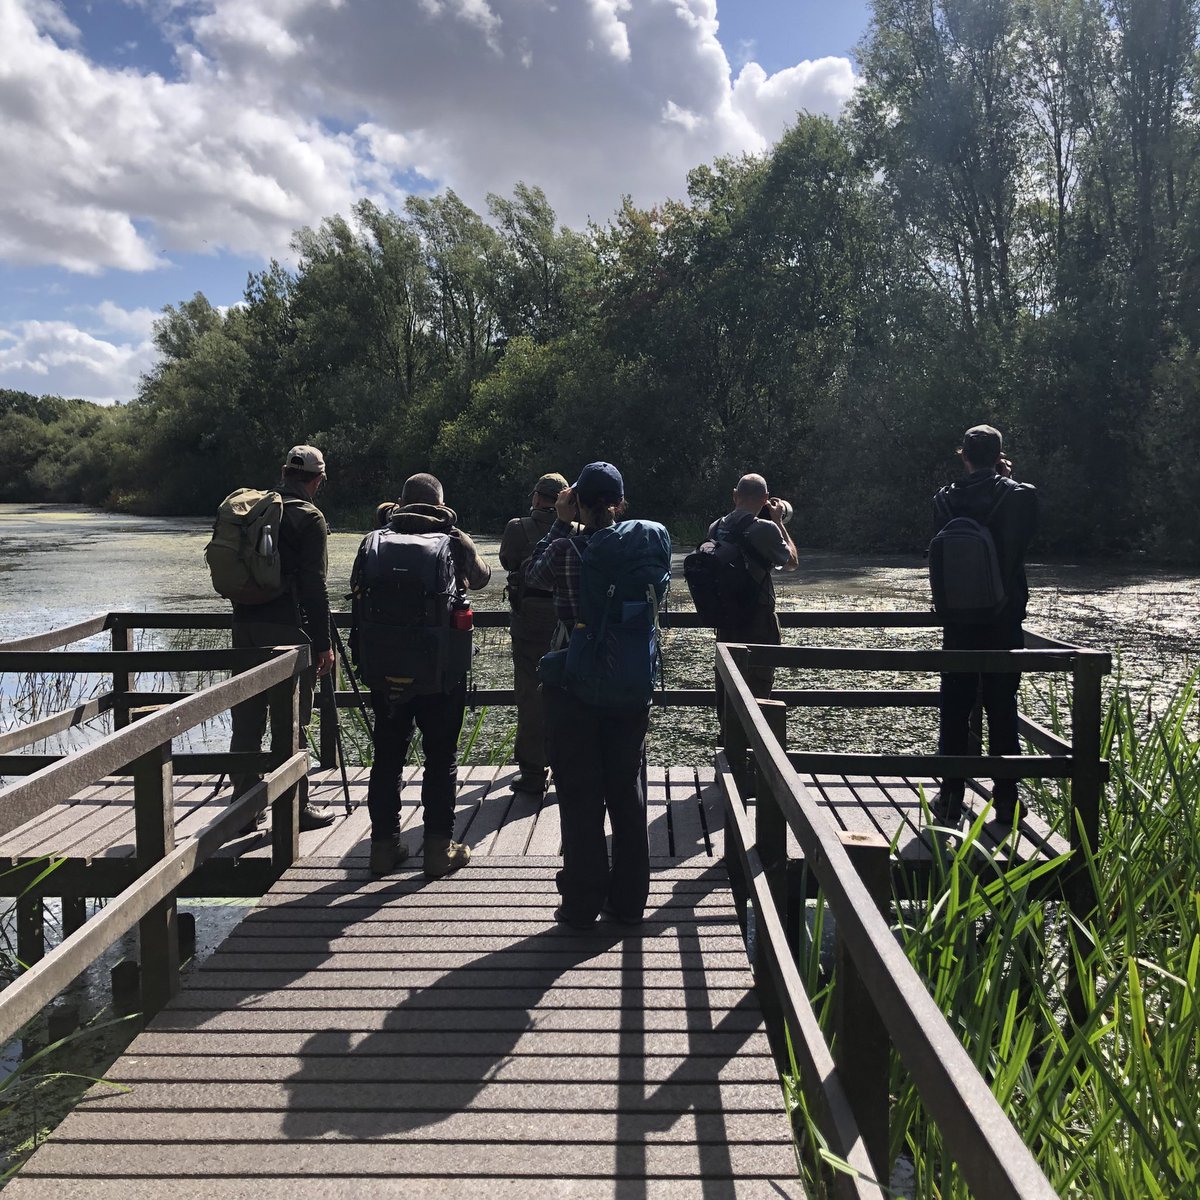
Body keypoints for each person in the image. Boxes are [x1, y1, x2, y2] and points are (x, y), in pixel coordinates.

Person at [525, 462, 666, 929]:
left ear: (579, 500)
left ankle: (582, 902)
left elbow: (532, 576)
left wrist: (560, 522)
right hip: (630, 685)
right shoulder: (642, 548)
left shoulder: (566, 546)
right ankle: (628, 903)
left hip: (574, 683)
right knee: (627, 792)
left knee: (580, 793)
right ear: (620, 503)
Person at [355, 473, 491, 878]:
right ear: (440, 501)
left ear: (401, 501)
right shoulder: (453, 539)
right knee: (441, 758)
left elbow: (357, 590)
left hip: (386, 671)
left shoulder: (374, 540)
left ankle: (383, 849)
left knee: (387, 758)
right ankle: (437, 852)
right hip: (440, 672)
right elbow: (482, 579)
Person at [931, 425, 1039, 827]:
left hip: (957, 620)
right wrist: (1007, 480)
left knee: (955, 707)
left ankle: (950, 796)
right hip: (1003, 618)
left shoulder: (943, 500)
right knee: (1001, 706)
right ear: (999, 455)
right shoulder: (1018, 496)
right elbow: (1024, 540)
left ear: (964, 455)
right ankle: (1008, 799)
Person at [228, 444, 335, 832]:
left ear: (284, 472)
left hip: (245, 625)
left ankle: (243, 808)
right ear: (317, 479)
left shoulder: (254, 511)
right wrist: (324, 643)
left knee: (246, 715)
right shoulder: (309, 518)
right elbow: (314, 586)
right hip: (289, 629)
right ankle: (296, 806)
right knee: (291, 720)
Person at [498, 472, 571, 795]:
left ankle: (532, 773)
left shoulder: (518, 528)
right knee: (569, 696)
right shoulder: (577, 530)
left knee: (529, 696)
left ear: (538, 497)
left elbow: (507, 560)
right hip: (567, 624)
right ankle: (568, 768)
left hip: (528, 625)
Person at [708, 473, 798, 699]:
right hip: (758, 623)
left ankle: (727, 734)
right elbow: (791, 563)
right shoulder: (766, 529)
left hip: (725, 622)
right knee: (757, 696)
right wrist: (778, 521)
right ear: (765, 498)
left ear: (735, 496)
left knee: (728, 692)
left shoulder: (715, 528)